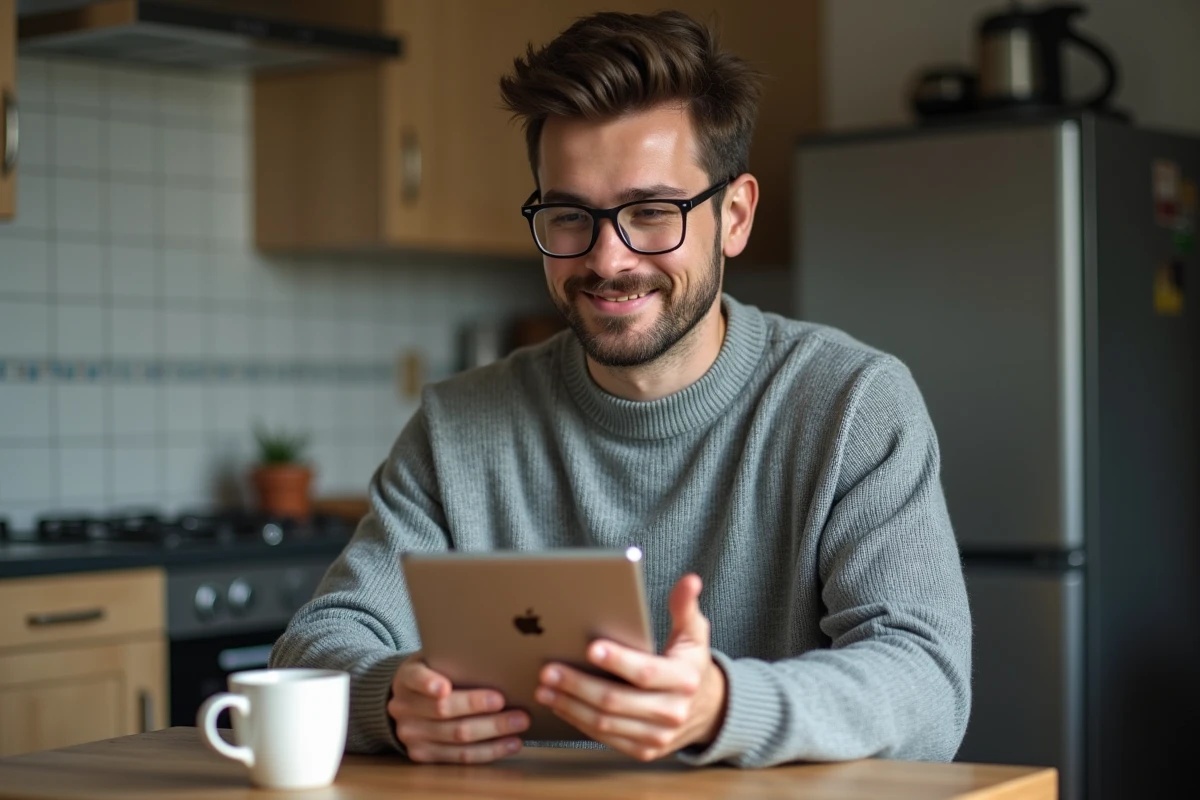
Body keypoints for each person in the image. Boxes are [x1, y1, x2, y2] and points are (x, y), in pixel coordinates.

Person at [270, 10, 971, 768]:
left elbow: (927, 685)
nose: (608, 258)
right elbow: (317, 644)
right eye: (570, 215)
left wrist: (722, 708)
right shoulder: (458, 426)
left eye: (651, 212)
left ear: (733, 217)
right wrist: (390, 699)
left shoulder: (851, 405)